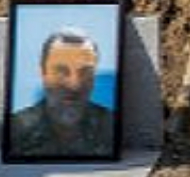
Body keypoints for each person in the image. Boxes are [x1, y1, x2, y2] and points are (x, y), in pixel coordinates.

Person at [7, 27, 116, 159]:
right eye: (61, 72)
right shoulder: (17, 128)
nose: (74, 85)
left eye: (85, 72)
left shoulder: (111, 126)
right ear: (43, 73)